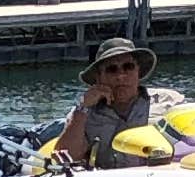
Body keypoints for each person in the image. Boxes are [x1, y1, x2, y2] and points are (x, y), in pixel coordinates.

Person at [52, 36, 168, 166]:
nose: (120, 76)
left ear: (138, 70)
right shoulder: (84, 113)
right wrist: (82, 108)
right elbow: (64, 157)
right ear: (98, 77)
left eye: (128, 67)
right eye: (111, 69)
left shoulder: (167, 102)